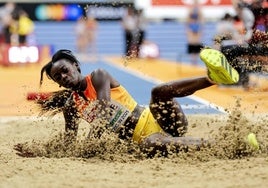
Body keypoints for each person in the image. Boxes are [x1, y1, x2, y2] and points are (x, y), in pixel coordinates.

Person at [34, 48, 239, 156]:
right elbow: (69, 140)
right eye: (58, 78)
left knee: (157, 92)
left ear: (76, 66)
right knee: (150, 143)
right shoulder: (71, 105)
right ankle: (225, 146)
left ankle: (213, 78)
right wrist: (40, 152)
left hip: (165, 121)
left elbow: (103, 110)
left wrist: (90, 144)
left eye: (64, 70)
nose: (63, 77)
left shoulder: (98, 76)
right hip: (145, 141)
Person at [185, 0, 204, 65]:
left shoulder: (199, 10)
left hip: (197, 26)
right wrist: (187, 30)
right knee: (192, 43)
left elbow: (201, 19)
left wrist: (201, 30)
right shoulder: (190, 10)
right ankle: (193, 61)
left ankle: (195, 61)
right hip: (192, 25)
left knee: (197, 43)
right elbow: (187, 20)